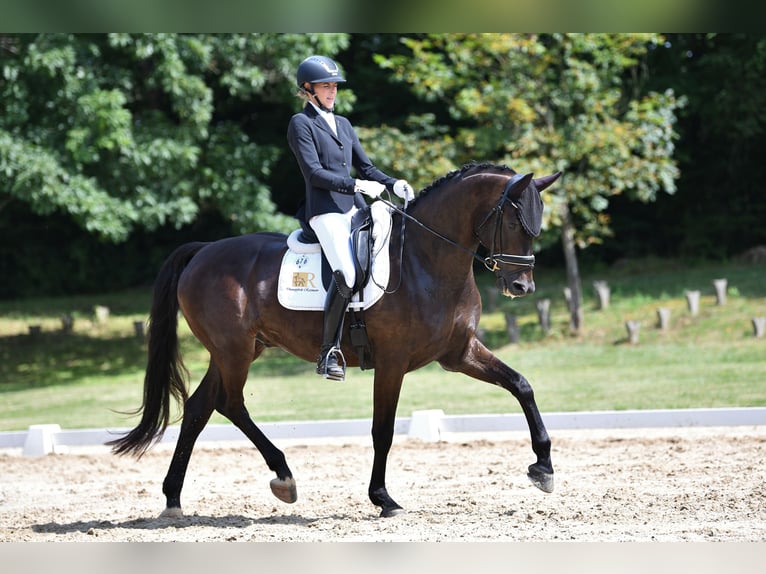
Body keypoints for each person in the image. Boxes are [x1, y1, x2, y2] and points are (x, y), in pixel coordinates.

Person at [287, 54, 414, 381]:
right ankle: (328, 350)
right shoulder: (301, 124)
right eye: (325, 86)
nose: (332, 91)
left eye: (334, 86)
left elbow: (366, 166)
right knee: (345, 272)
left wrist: (392, 182)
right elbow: (314, 173)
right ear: (308, 88)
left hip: (355, 207)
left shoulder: (342, 124)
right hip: (325, 211)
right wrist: (357, 183)